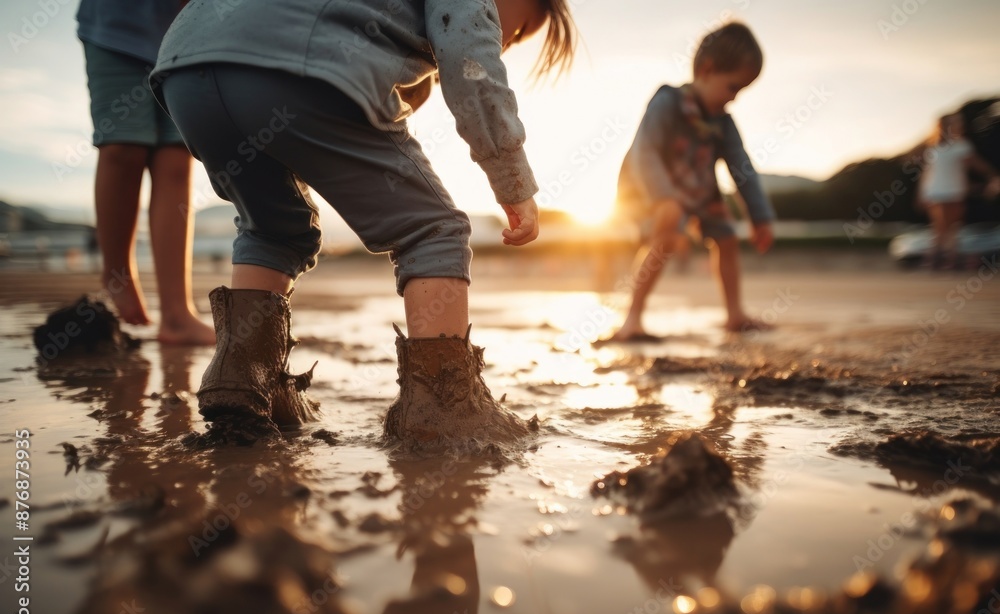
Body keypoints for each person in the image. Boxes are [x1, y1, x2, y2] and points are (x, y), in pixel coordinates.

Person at [151, 0, 576, 446]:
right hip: (293, 65)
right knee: (434, 229)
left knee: (271, 228)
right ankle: (445, 407)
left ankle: (246, 377)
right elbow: (471, 61)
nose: (506, 42)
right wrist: (512, 179)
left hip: (187, 67)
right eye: (520, 29)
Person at [608, 22, 775, 341]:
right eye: (733, 87)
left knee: (726, 239)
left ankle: (735, 314)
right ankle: (632, 319)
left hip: (701, 190)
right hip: (655, 190)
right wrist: (663, 199)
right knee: (664, 241)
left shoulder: (723, 123)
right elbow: (646, 153)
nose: (734, 99)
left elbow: (743, 169)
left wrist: (760, 216)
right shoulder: (667, 102)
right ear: (707, 70)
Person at [77, 0, 216, 345]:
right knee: (122, 147)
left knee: (176, 161)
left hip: (186, 37)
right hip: (116, 29)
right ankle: (118, 275)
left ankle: (176, 313)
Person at [918, 113, 1000, 270]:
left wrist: (991, 176)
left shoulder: (949, 147)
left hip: (947, 191)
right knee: (946, 228)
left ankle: (938, 261)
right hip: (942, 191)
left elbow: (974, 164)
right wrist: (993, 174)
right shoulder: (945, 148)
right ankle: (942, 261)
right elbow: (927, 174)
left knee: (945, 228)